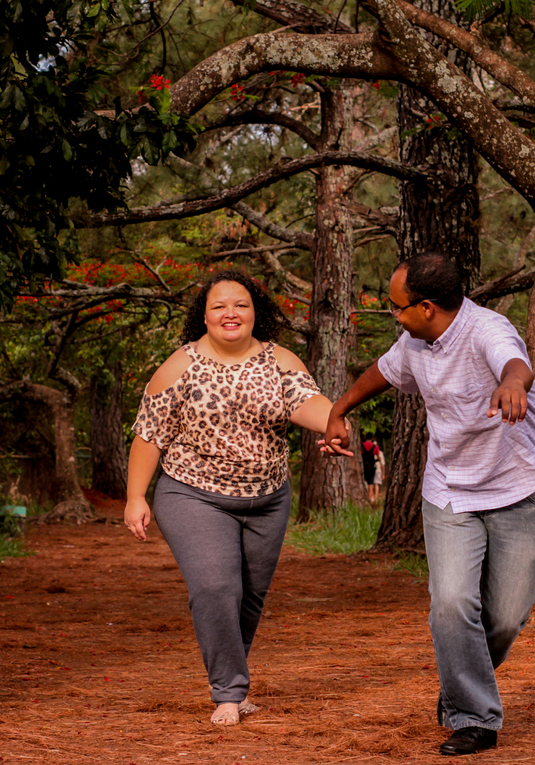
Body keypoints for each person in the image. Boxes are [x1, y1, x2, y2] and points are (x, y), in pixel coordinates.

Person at [321, 252, 535, 757]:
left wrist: (514, 384)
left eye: (397, 307)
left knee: (507, 616)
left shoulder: (489, 330)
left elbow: (514, 363)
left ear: (427, 307)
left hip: (517, 488)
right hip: (449, 491)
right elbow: (380, 373)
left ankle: (458, 687)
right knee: (451, 605)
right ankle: (475, 717)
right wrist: (339, 409)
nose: (393, 316)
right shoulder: (413, 343)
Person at [125, 270, 335, 726]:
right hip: (192, 494)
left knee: (248, 596)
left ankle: (229, 677)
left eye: (239, 304)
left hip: (268, 498)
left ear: (256, 311)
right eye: (219, 305)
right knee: (216, 587)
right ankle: (229, 692)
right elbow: (148, 436)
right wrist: (135, 497)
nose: (230, 313)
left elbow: (307, 402)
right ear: (204, 314)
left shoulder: (281, 360)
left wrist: (335, 423)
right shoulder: (179, 366)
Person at [361, 439, 385, 504]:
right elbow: (380, 460)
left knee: (368, 483)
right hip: (372, 468)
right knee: (371, 484)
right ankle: (371, 498)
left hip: (365, 468)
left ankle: (371, 497)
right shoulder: (376, 449)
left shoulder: (363, 447)